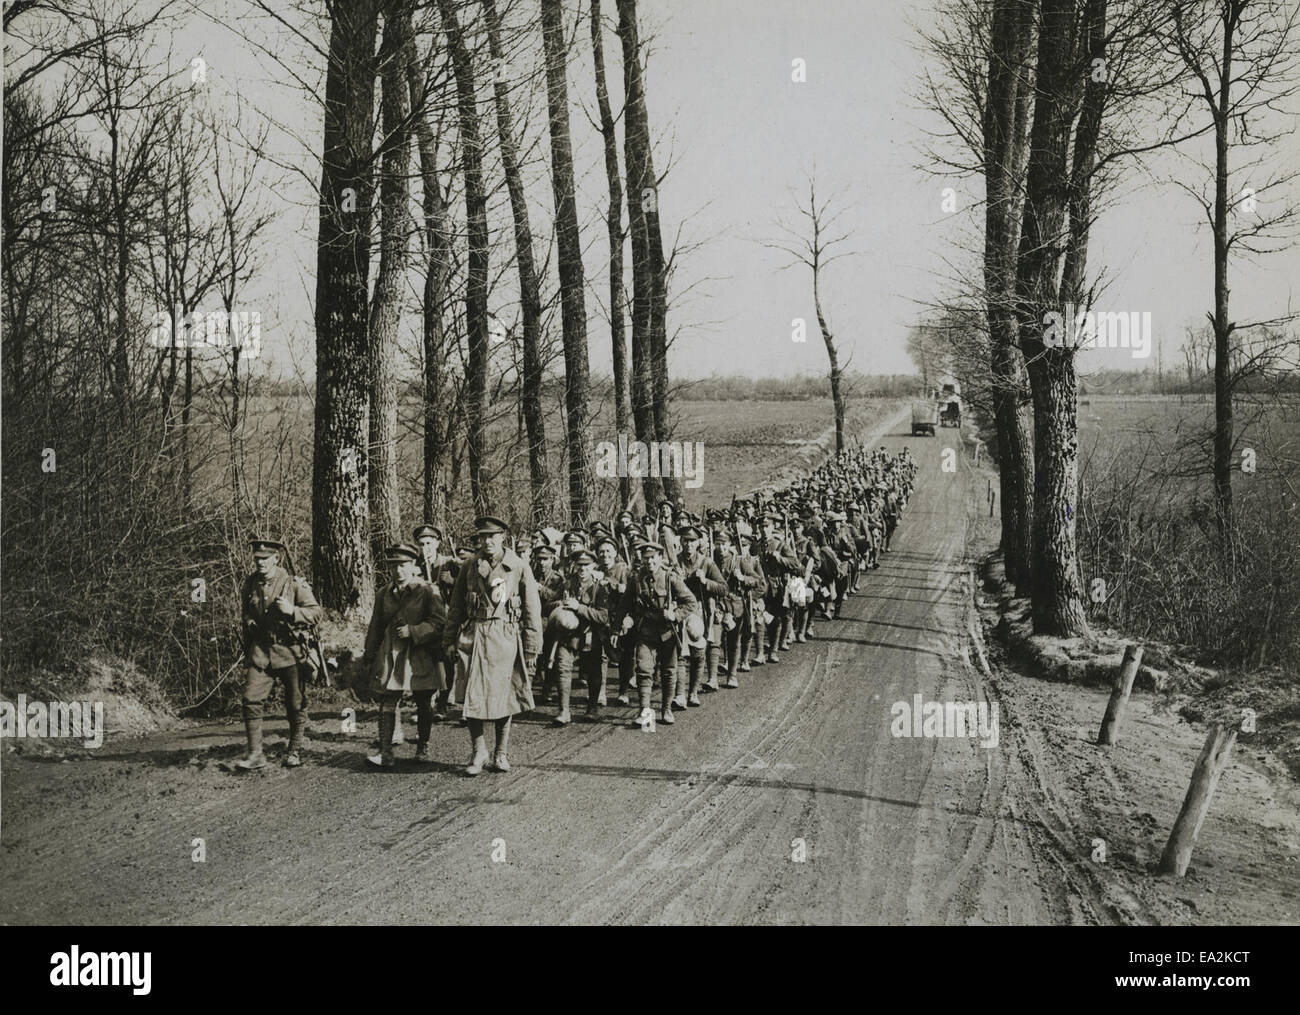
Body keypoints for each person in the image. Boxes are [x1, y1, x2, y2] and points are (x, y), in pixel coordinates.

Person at [443, 515, 542, 775]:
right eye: (483, 537)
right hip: (474, 636)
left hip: (504, 637)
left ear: (503, 538)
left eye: (492, 536)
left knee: (503, 698)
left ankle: (500, 753)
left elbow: (532, 609)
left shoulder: (518, 566)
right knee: (472, 696)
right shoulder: (469, 566)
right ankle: (479, 752)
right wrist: (449, 640)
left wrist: (531, 647)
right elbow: (456, 607)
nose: (487, 541)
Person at [236, 538, 322, 770]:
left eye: (265, 559)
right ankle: (255, 755)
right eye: (257, 558)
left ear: (276, 559)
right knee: (251, 699)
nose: (260, 563)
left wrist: (292, 611)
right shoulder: (250, 584)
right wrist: (249, 623)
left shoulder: (293, 584)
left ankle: (294, 750)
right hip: (261, 652)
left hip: (290, 652)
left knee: (295, 703)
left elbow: (316, 613)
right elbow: (245, 613)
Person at [361, 543, 446, 767]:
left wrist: (415, 631)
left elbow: (440, 623)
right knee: (387, 700)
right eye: (394, 566)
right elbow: (376, 626)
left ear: (413, 565)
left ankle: (423, 746)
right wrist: (369, 654)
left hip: (420, 652)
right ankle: (386, 753)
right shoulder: (384, 593)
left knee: (423, 700)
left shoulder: (427, 591)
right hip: (392, 652)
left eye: (403, 565)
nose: (398, 571)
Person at [619, 539, 697, 728]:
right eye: (646, 558)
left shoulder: (670, 577)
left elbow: (691, 602)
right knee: (643, 670)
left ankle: (666, 709)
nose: (649, 562)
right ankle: (645, 714)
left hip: (667, 632)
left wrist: (675, 615)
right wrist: (621, 622)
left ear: (660, 558)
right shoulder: (636, 579)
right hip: (645, 632)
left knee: (669, 672)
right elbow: (625, 604)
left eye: (653, 557)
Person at [550, 549, 611, 724]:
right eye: (579, 565)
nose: (582, 569)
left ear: (593, 566)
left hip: (590, 636)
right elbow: (549, 604)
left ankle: (592, 709)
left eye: (586, 565)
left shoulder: (599, 588)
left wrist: (579, 608)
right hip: (568, 636)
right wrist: (559, 605)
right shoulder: (567, 585)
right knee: (562, 669)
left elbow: (603, 616)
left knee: (593, 672)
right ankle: (564, 711)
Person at [678, 524, 727, 705]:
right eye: (685, 540)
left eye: (692, 541)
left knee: (698, 653)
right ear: (681, 542)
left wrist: (705, 581)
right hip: (680, 611)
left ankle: (693, 692)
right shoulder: (675, 562)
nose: (689, 544)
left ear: (698, 542)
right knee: (679, 654)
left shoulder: (706, 563)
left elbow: (724, 588)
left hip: (701, 612)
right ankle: (680, 695)